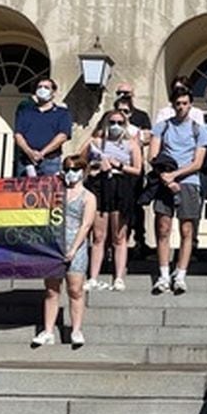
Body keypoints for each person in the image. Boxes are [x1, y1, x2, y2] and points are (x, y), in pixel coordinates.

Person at [149, 86, 207, 294]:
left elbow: (198, 162)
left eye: (185, 103)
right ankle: (164, 274)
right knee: (163, 228)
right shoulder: (162, 127)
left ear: (190, 105)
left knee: (187, 230)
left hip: (189, 182)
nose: (181, 107)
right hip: (165, 181)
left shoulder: (198, 129)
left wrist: (176, 176)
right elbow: (153, 156)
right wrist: (166, 178)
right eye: (178, 104)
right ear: (173, 105)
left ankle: (181, 274)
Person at [31, 155, 96, 349]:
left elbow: (86, 226)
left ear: (83, 172)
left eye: (75, 169)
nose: (71, 173)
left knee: (75, 289)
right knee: (52, 290)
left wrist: (73, 249)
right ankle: (48, 330)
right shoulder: (56, 193)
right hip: (54, 246)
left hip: (75, 246)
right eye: (67, 169)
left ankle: (76, 329)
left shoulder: (88, 197)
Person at [83, 109, 142, 291]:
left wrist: (120, 165)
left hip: (121, 186)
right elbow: (80, 162)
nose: (115, 126)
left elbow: (138, 169)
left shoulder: (132, 144)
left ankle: (118, 277)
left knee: (119, 236)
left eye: (119, 122)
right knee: (99, 236)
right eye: (112, 122)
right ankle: (93, 277)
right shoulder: (97, 142)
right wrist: (96, 166)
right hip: (100, 187)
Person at [112, 83, 153, 259]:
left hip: (133, 169)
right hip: (113, 170)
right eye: (119, 92)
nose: (123, 95)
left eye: (126, 93)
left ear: (133, 94)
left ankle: (139, 241)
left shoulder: (141, 116)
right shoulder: (110, 117)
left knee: (135, 206)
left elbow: (147, 138)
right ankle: (115, 242)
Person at [13, 77, 72, 177]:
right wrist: (29, 152)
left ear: (53, 92)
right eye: (39, 87)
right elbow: (18, 135)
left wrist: (42, 153)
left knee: (49, 191)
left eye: (46, 87)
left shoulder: (62, 113)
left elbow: (62, 136)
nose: (42, 89)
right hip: (25, 161)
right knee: (24, 191)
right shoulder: (25, 112)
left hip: (50, 161)